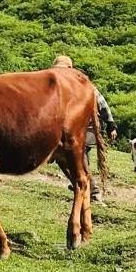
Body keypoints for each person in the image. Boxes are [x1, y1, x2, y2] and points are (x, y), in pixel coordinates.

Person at [52, 55, 117, 204]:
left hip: (86, 129)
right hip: (68, 131)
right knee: (66, 159)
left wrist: (111, 124)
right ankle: (80, 184)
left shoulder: (80, 83)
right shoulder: (57, 85)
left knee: (79, 160)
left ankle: (92, 191)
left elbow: (101, 102)